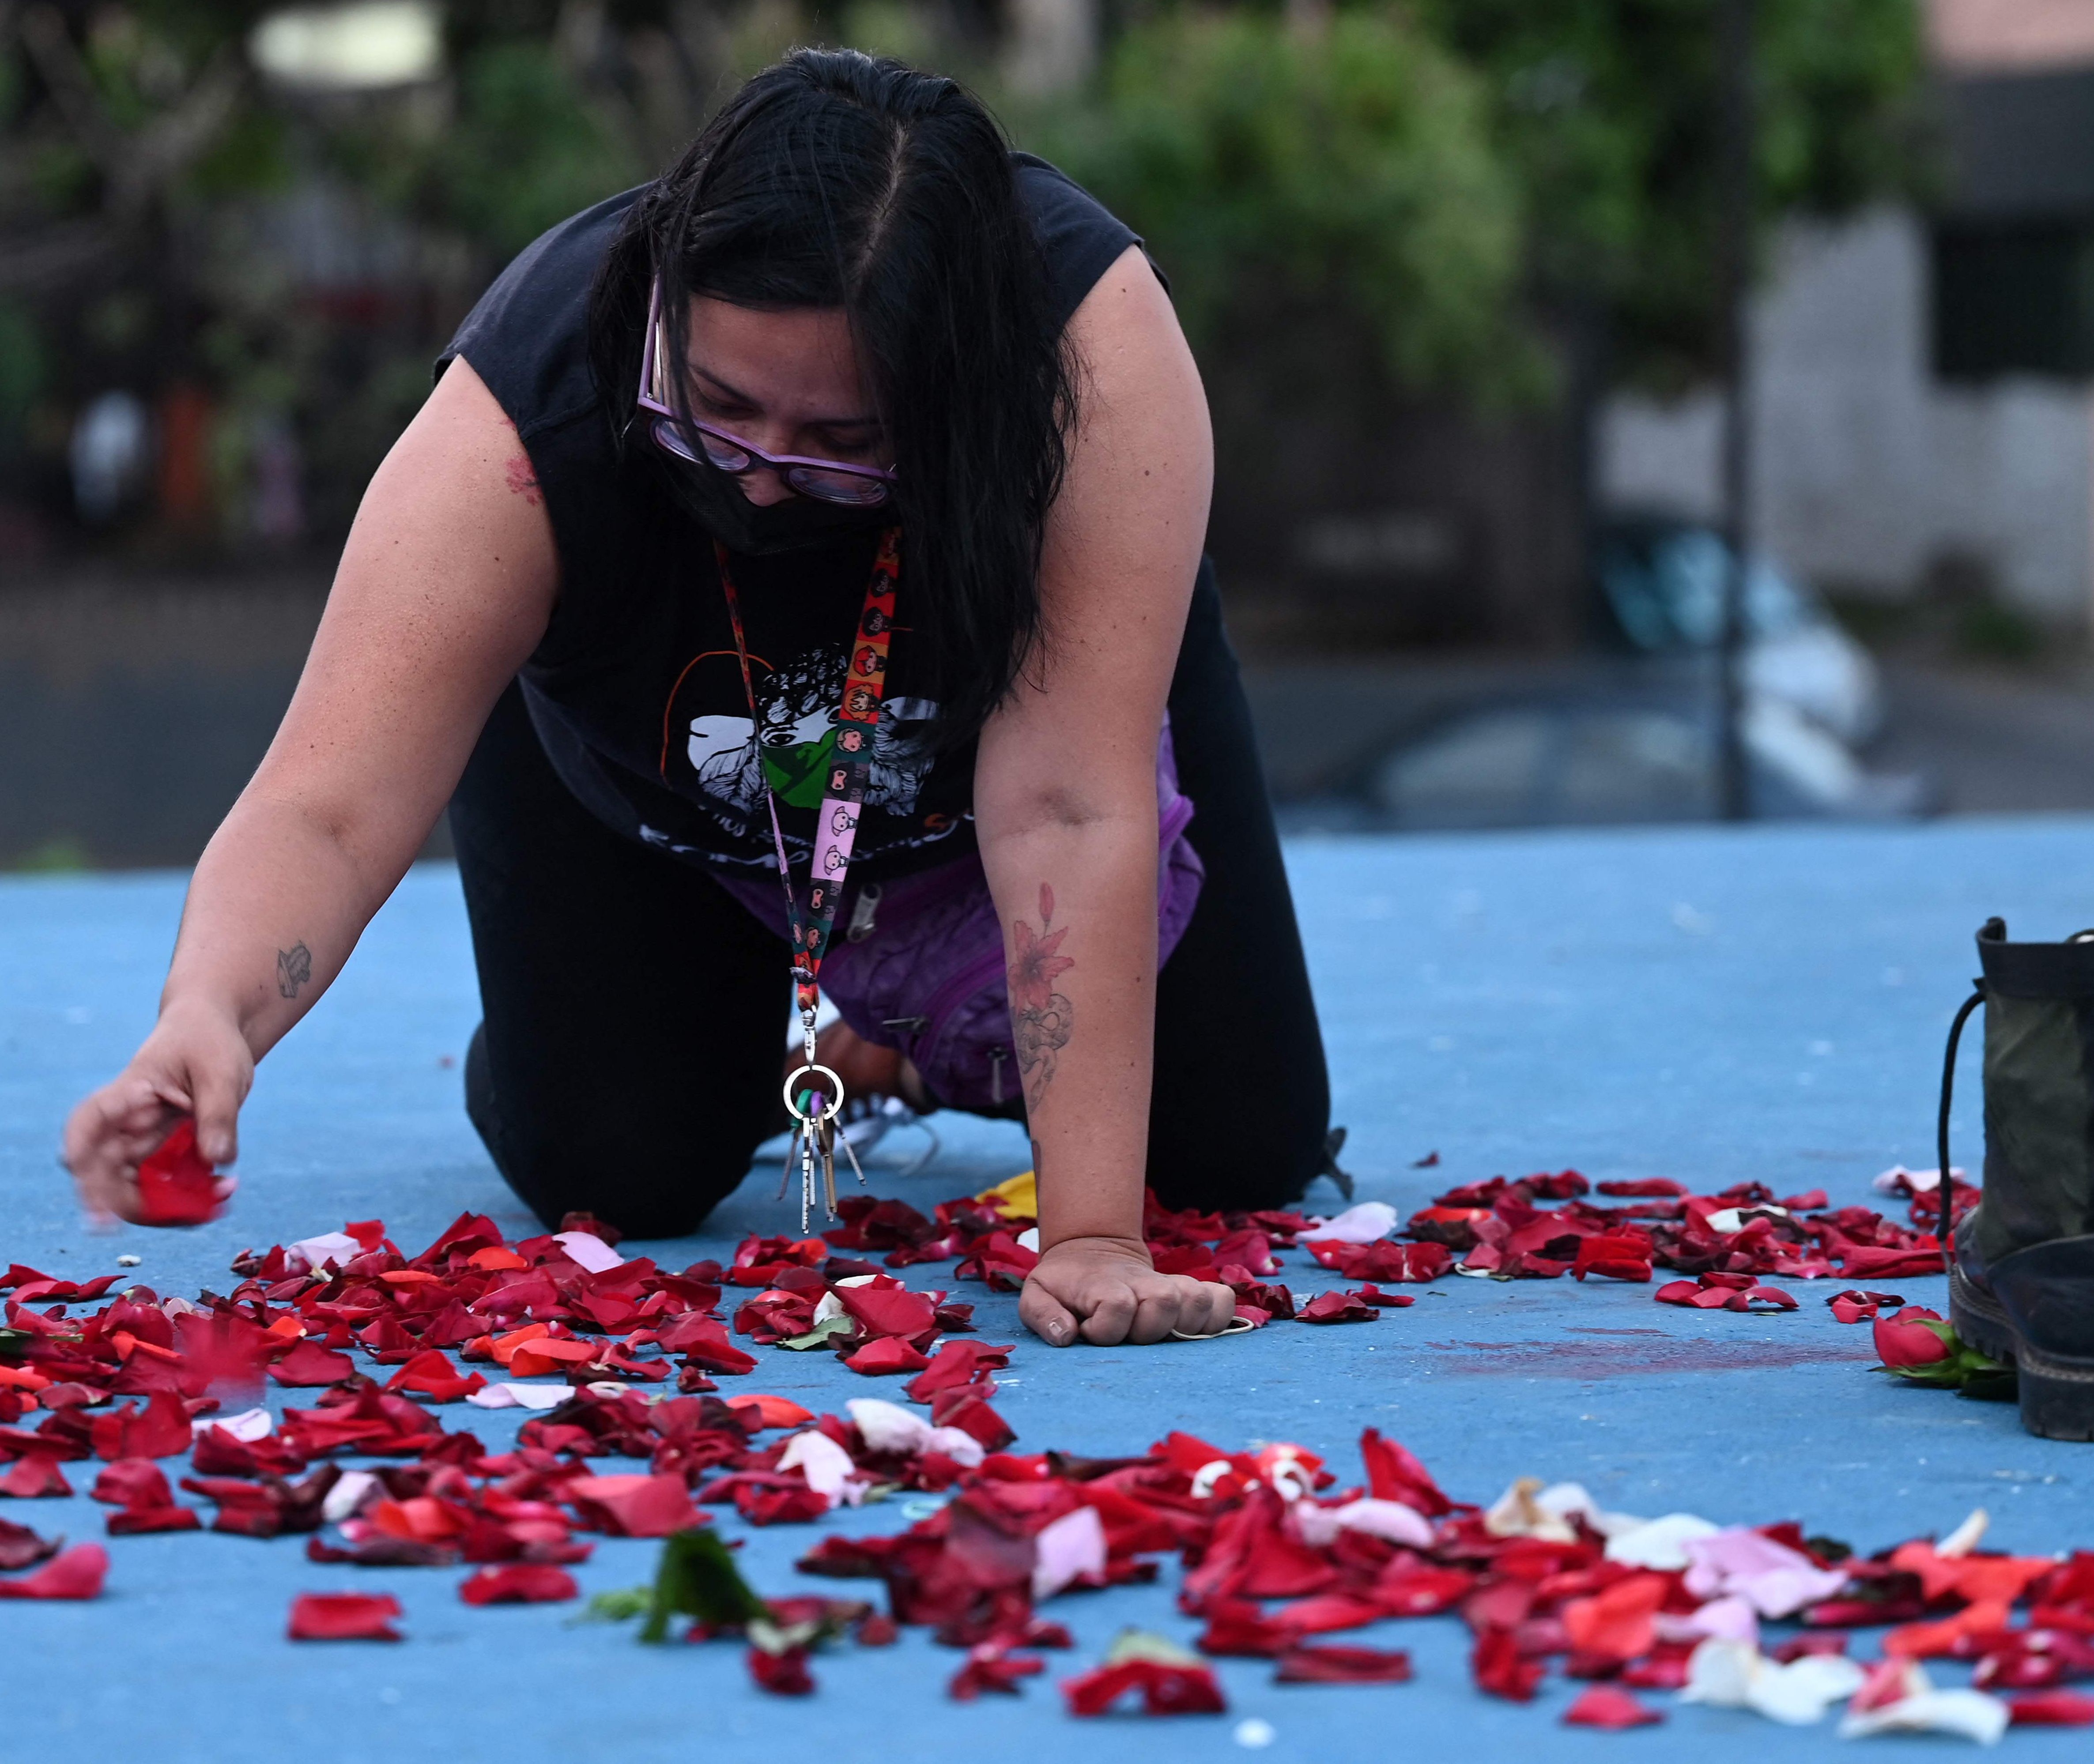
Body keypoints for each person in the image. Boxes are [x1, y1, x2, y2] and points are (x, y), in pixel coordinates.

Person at [59, 49, 1335, 1349]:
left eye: (845, 442)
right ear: (664, 296)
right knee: (620, 1166)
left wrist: (1093, 1240)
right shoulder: (526, 407)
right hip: (651, 776)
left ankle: (889, 1042)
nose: (768, 478)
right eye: (718, 409)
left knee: (1240, 1146)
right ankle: (744, 1008)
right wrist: (206, 1015)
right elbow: (326, 803)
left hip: (1011, 732)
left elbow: (1067, 803)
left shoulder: (1092, 356)